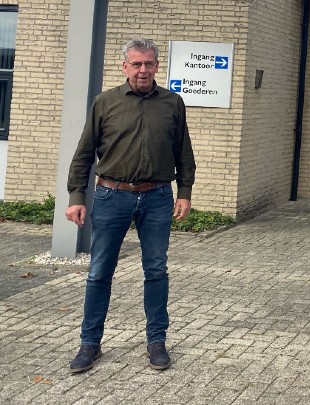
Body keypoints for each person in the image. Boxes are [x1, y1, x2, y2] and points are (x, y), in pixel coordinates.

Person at [65, 38, 196, 373]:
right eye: (136, 64)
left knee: (156, 270)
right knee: (99, 271)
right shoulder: (105, 102)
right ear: (125, 66)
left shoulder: (172, 102)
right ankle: (89, 343)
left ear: (157, 66)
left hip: (157, 197)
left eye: (149, 63)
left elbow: (184, 151)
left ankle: (157, 342)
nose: (143, 70)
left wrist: (184, 192)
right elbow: (83, 154)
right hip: (112, 196)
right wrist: (77, 196)